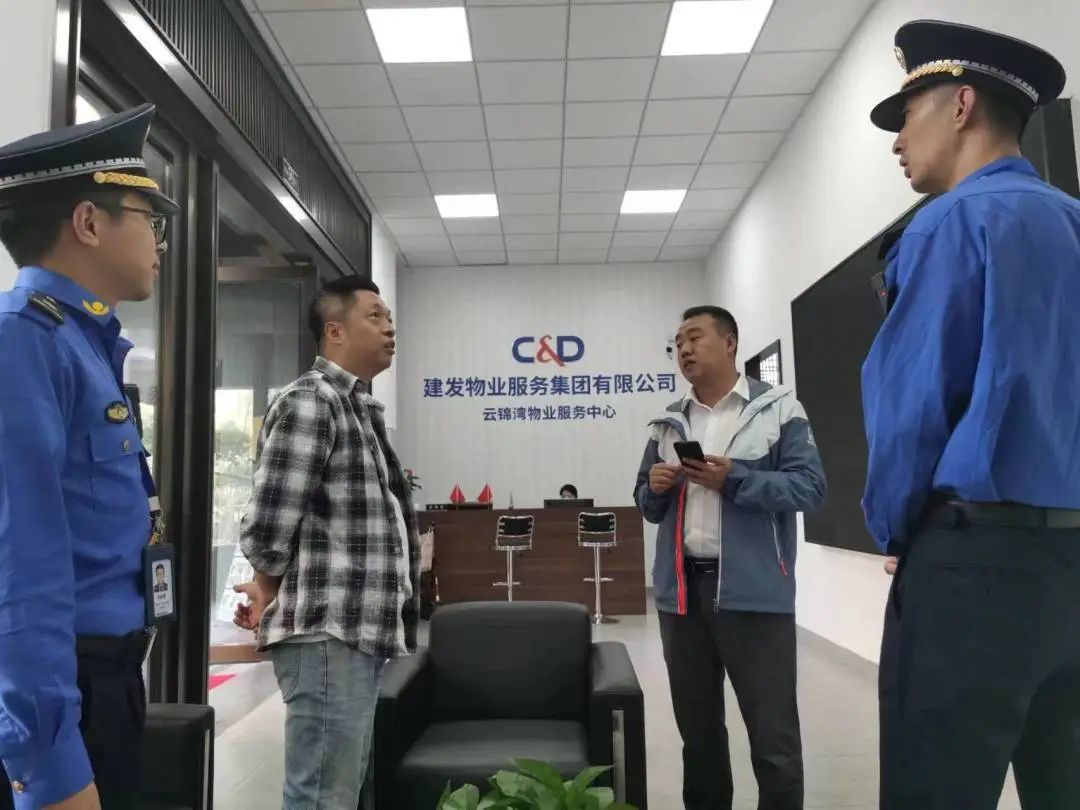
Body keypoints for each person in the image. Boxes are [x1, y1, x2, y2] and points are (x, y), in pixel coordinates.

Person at [862, 20, 1080, 810]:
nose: (897, 142)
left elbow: (913, 408)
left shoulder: (950, 222)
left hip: (976, 568)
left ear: (960, 105)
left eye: (906, 115)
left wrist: (899, 530)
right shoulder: (1072, 221)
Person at [0, 105, 178, 810]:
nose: (158, 242)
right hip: (61, 694)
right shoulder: (22, 342)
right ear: (89, 222)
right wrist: (47, 763)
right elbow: (20, 566)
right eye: (149, 220)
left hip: (108, 679)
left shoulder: (85, 344)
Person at [233, 275, 420, 809]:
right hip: (327, 634)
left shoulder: (357, 407)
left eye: (390, 319)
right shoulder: (313, 401)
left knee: (341, 792)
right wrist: (267, 582)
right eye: (375, 317)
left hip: (349, 634)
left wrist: (267, 587)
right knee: (322, 797)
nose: (389, 329)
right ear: (334, 331)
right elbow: (270, 521)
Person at [634, 306, 826, 810]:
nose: (684, 350)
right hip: (681, 596)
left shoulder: (779, 409)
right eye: (678, 343)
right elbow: (646, 504)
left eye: (694, 337)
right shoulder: (668, 422)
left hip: (754, 593)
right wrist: (654, 487)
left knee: (773, 737)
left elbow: (809, 488)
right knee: (698, 736)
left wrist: (734, 479)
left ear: (730, 343)